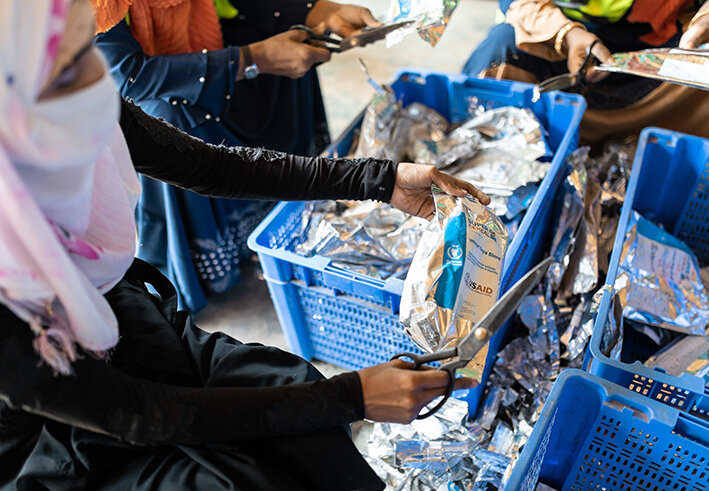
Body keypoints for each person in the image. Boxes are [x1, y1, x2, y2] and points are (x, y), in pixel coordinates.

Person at [0, 1, 490, 489]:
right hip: (57, 435)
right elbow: (139, 415)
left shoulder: (65, 91)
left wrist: (379, 180)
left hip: (121, 322)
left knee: (294, 391)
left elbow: (208, 165)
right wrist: (351, 397)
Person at [91, 0, 382, 311]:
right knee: (165, 118)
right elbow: (125, 78)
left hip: (201, 45)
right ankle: (221, 252)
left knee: (293, 38)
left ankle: (299, 198)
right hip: (131, 96)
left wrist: (314, 11)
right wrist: (253, 59)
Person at [462, 0, 709, 143]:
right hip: (552, 41)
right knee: (499, 56)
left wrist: (704, 21)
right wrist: (565, 35)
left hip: (667, 57)